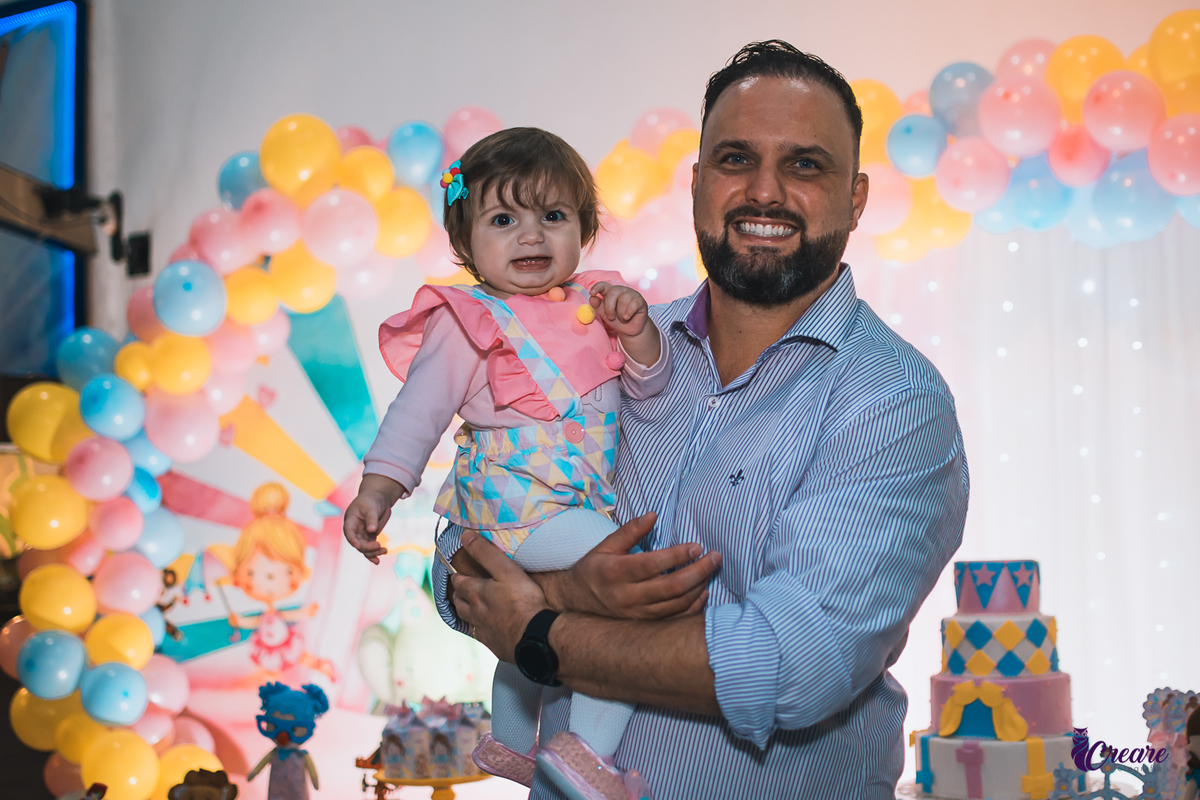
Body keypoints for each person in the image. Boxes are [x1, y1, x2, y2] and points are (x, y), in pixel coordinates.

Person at [438, 41, 970, 800]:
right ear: (695, 185)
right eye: (734, 159)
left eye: (805, 165)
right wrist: (553, 589)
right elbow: (466, 534)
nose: (764, 191)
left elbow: (786, 669)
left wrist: (542, 626)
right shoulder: (600, 343)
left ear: (855, 197)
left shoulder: (892, 403)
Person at [342, 128, 672, 798]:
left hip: (561, 505)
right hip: (516, 510)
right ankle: (586, 754)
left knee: (526, 645)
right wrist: (379, 489)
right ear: (464, 243)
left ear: (584, 229)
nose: (531, 236)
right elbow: (418, 412)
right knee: (630, 591)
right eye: (503, 219)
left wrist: (638, 333)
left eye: (553, 216)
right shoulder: (469, 320)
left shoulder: (598, 305)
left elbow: (651, 391)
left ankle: (513, 744)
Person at [222, 483, 335, 681]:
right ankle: (269, 681)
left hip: (284, 641)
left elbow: (286, 615)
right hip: (267, 645)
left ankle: (317, 665)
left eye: (273, 575)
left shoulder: (277, 613)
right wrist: (239, 621)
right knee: (270, 664)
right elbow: (256, 621)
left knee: (296, 655)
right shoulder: (267, 613)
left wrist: (304, 613)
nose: (266, 584)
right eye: (251, 574)